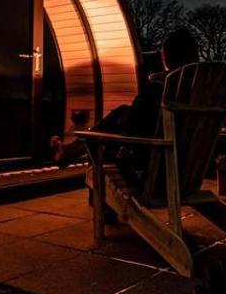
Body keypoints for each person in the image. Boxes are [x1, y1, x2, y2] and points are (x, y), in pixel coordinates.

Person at [50, 27, 201, 184]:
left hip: (153, 177)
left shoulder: (157, 91)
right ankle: (69, 152)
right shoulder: (202, 95)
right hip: (190, 176)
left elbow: (129, 129)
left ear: (166, 60)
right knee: (123, 113)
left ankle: (70, 153)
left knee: (111, 131)